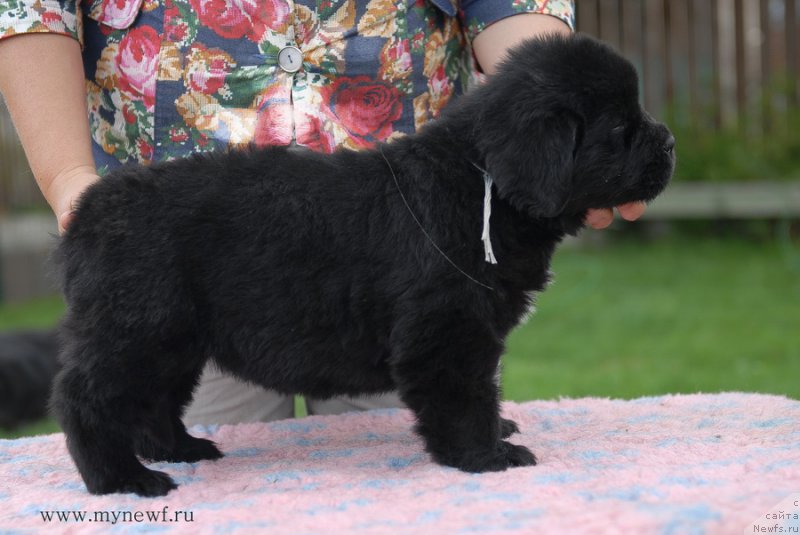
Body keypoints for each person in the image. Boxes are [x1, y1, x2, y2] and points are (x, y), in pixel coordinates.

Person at [0, 0, 646, 426]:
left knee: (420, 493)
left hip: (416, 242)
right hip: (191, 243)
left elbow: (509, 6)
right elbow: (33, 8)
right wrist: (67, 177)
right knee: (193, 491)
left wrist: (561, 119)